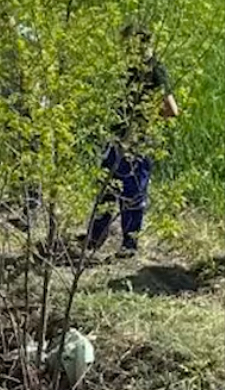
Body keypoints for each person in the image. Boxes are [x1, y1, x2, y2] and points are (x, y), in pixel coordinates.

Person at [86, 24, 179, 258]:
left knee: (133, 191)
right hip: (117, 137)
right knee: (106, 186)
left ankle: (129, 245)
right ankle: (94, 239)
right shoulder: (127, 68)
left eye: (126, 43)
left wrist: (142, 118)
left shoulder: (155, 69)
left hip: (139, 139)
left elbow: (171, 109)